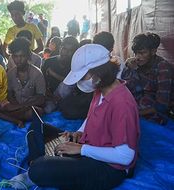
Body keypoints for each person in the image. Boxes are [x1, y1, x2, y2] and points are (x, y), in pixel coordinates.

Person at [10, 44, 140, 190]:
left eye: (83, 76)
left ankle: (39, 167)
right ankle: (46, 161)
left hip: (108, 168)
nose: (80, 81)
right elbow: (91, 116)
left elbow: (125, 156)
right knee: (38, 128)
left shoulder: (122, 104)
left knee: (39, 169)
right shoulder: (101, 89)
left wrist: (82, 149)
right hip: (90, 146)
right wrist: (79, 133)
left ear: (99, 73)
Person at [122, 32, 174, 125]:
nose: (138, 57)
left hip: (156, 114)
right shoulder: (136, 64)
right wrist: (131, 68)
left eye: (142, 53)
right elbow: (126, 88)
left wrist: (135, 114)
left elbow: (161, 106)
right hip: (137, 105)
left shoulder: (163, 69)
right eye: (136, 53)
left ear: (153, 51)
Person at [7, 37, 46, 116]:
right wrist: (16, 106)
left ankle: (14, 117)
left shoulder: (37, 73)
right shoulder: (10, 74)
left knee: (36, 112)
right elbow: (9, 94)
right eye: (15, 56)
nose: (19, 60)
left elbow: (41, 98)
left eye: (22, 56)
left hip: (30, 108)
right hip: (16, 107)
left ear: (28, 56)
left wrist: (24, 106)